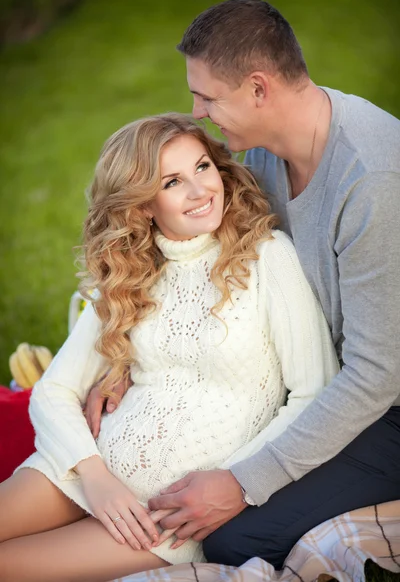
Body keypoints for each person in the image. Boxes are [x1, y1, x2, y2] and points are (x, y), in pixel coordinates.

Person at [87, 0, 400, 571]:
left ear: (259, 89)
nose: (198, 111)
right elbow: (191, 254)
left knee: (233, 540)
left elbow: (379, 374)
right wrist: (118, 356)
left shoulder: (374, 182)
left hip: (387, 404)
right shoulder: (260, 156)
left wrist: (245, 481)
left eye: (208, 96)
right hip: (311, 376)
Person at [0, 113, 339, 581]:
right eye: (173, 181)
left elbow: (313, 393)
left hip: (163, 518)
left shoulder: (267, 257)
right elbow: (54, 391)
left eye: (203, 167)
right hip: (80, 472)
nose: (201, 190)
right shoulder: (132, 273)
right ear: (141, 206)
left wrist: (238, 482)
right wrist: (96, 478)